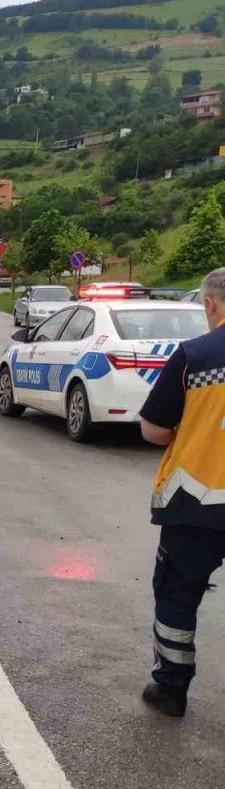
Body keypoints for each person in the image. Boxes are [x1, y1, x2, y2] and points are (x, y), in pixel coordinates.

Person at [137, 267, 225, 717]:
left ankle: (171, 689)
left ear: (210, 304)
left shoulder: (196, 355)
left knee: (177, 594)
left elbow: (153, 429)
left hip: (198, 502)